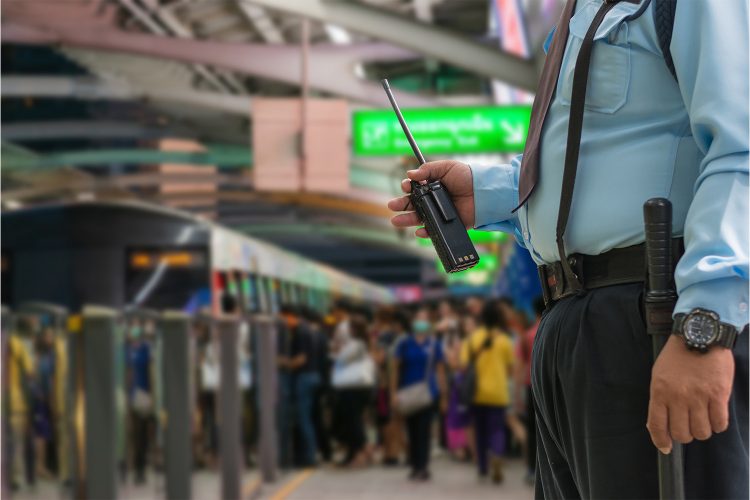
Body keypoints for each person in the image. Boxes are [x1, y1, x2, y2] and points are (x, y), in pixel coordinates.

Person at [388, 1, 748, 497]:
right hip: (576, 326)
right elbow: (595, 159)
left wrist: (705, 329)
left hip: (657, 316)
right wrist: (491, 192)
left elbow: (740, 151)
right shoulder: (577, 12)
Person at [390, 307, 447, 482]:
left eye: (425, 318)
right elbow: (395, 369)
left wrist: (444, 395)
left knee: (424, 430)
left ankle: (422, 466)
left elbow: (440, 371)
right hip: (407, 394)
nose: (421, 322)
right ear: (413, 322)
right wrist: (393, 392)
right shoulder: (404, 343)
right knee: (411, 430)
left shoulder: (434, 344)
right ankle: (415, 464)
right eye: (418, 318)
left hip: (428, 393)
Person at [461, 301, 514, 484]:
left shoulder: (473, 338)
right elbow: (510, 369)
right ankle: (497, 454)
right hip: (499, 393)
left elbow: (464, 364)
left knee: (480, 431)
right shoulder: (505, 340)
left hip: (477, 393)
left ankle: (483, 467)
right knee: (497, 429)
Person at [331, 314, 375, 467]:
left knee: (353, 422)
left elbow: (340, 358)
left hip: (354, 387)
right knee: (352, 422)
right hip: (355, 387)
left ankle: (360, 453)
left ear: (354, 329)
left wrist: (337, 346)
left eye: (349, 327)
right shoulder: (360, 343)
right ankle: (356, 452)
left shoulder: (357, 344)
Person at [284, 307, 321, 467]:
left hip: (304, 378)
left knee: (303, 418)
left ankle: (309, 457)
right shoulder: (307, 330)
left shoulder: (301, 332)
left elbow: (301, 359)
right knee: (306, 418)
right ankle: (308, 455)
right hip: (312, 377)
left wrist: (284, 363)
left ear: (291, 316)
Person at [515, 296, 544, 485]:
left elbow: (521, 365)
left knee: (533, 430)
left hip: (531, 386)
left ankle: (532, 469)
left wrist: (517, 394)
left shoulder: (527, 335)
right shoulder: (556, 328)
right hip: (552, 386)